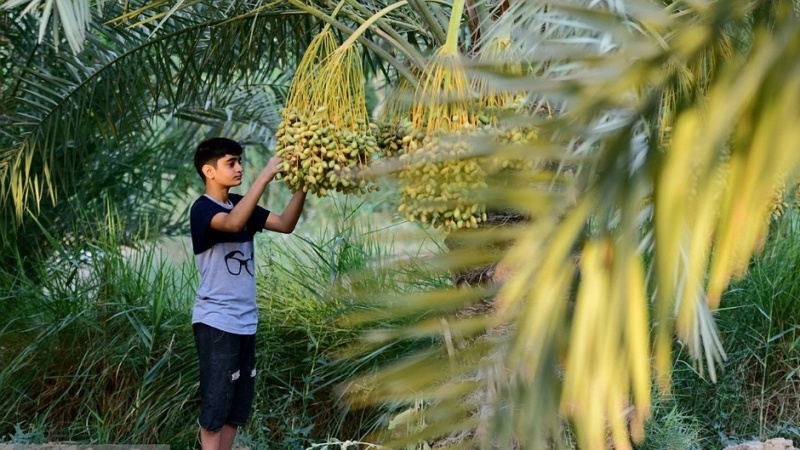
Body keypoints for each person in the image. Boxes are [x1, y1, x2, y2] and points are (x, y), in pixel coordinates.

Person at [190, 137, 306, 450]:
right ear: (209, 171)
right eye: (231, 163)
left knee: (236, 410)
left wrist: (304, 185)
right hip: (217, 322)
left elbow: (285, 224)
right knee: (216, 407)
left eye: (240, 161)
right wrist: (266, 176)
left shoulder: (241, 204)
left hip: (244, 321)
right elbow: (232, 223)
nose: (239, 168)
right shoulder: (202, 210)